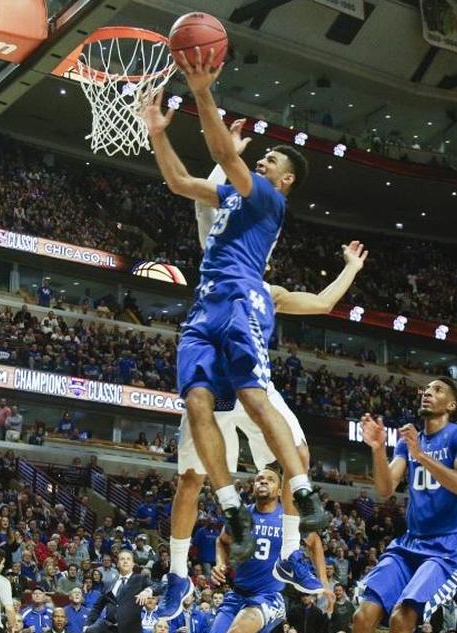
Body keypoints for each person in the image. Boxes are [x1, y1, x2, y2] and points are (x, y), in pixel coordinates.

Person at [155, 136, 365, 622]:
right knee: (189, 480)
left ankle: (291, 551)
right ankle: (178, 574)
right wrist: (223, 154)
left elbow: (323, 304)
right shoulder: (221, 246)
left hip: (250, 382)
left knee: (300, 453)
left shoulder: (268, 289)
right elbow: (199, 203)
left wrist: (351, 269)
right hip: (214, 373)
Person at [140, 42, 316, 568]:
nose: (264, 160)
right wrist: (158, 133)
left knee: (254, 399)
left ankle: (302, 495)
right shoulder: (234, 195)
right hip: (207, 302)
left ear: (284, 179)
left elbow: (224, 157)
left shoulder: (268, 198)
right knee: (197, 403)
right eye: (262, 157)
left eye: (272, 159)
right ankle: (231, 505)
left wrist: (202, 92)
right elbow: (179, 183)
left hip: (242, 296)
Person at [352, 377, 457, 633]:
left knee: (402, 617)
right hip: (410, 543)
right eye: (427, 389)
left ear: (451, 405)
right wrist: (377, 449)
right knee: (363, 616)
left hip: (449, 546)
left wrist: (421, 456)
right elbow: (385, 489)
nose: (428, 393)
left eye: (437, 390)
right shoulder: (409, 441)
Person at [206, 467, 319, 633]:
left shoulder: (289, 519)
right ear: (253, 487)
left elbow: (315, 542)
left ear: (280, 491)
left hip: (269, 596)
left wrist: (323, 581)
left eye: (270, 479)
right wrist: (220, 563)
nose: (263, 481)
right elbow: (221, 541)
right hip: (237, 593)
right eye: (259, 479)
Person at [83, 551, 163, 633]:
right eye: (122, 559)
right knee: (90, 632)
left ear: (133, 564)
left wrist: (148, 590)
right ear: (117, 564)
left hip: (130, 631)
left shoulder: (140, 579)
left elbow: (159, 587)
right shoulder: (112, 583)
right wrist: (87, 624)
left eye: (128, 559)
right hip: (110, 628)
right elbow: (98, 606)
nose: (125, 561)